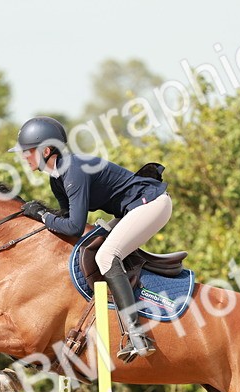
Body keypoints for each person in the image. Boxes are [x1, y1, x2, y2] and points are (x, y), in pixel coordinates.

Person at [10, 115, 171, 361]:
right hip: (133, 209)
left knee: (107, 256)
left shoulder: (73, 170)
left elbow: (73, 226)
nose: (23, 156)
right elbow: (65, 221)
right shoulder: (58, 180)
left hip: (152, 204)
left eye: (28, 151)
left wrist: (42, 215)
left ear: (47, 150)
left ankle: (136, 333)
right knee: (96, 246)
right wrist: (41, 217)